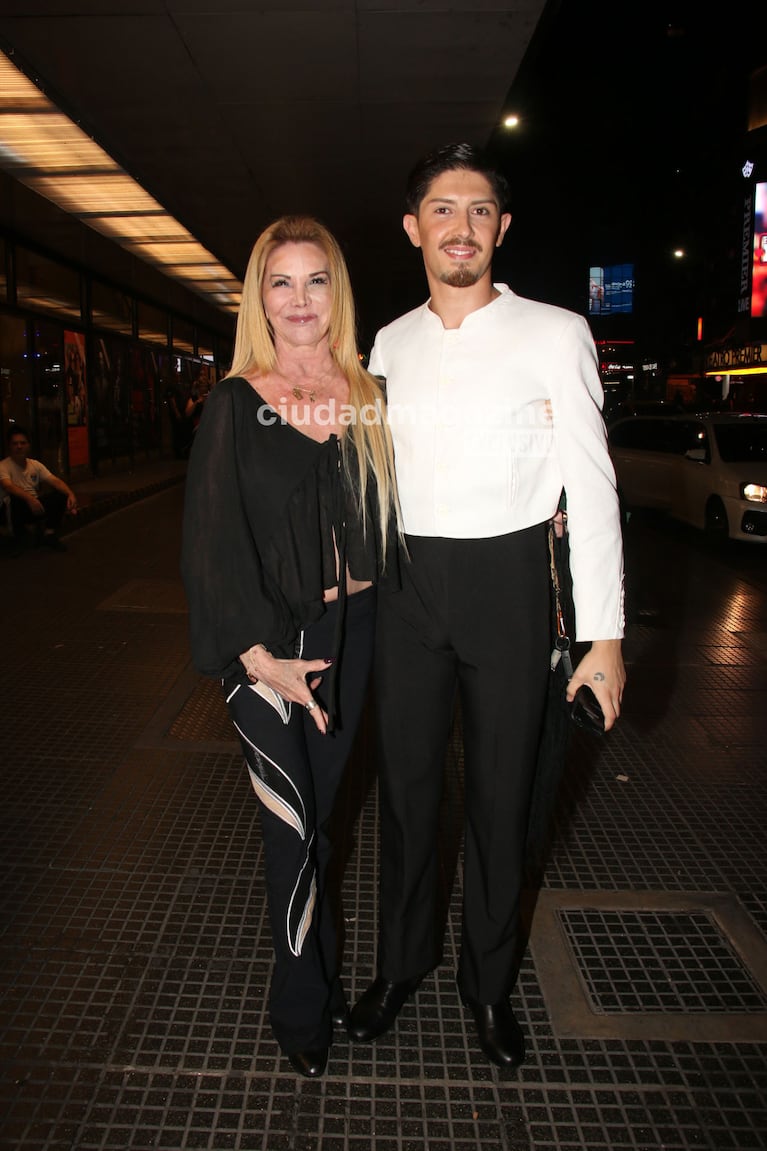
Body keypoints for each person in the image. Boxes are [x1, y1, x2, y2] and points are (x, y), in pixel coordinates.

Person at [348, 143, 626, 1069]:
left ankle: (490, 986)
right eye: (440, 209)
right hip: (406, 587)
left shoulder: (555, 330)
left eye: (477, 211)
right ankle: (399, 966)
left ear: (500, 229)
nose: (458, 227)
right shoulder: (387, 341)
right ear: (412, 228)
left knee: (504, 803)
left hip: (511, 586)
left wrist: (603, 637)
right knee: (407, 795)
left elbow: (590, 483)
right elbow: (369, 476)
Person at [180, 216, 401, 1078]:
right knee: (292, 826)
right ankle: (302, 1009)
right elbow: (208, 540)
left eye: (316, 281)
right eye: (282, 282)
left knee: (324, 828)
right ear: (259, 298)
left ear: (334, 293)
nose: (300, 299)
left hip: (359, 636)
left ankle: (315, 965)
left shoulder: (373, 393)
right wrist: (255, 652)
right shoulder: (236, 401)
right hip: (269, 650)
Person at [0, 426, 78, 551]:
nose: (19, 446)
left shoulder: (35, 464)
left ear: (28, 445)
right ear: (9, 446)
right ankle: (18, 537)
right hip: (13, 510)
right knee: (13, 497)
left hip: (34, 507)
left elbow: (55, 481)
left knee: (60, 495)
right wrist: (30, 499)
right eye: (15, 444)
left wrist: (70, 494)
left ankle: (49, 534)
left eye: (23, 443)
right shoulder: (3, 466)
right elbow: (7, 485)